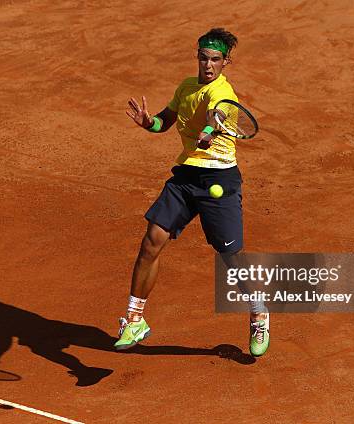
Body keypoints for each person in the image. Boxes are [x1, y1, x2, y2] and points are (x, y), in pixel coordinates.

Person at [115, 28, 269, 357]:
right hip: (186, 176)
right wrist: (149, 123)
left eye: (215, 60)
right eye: (203, 58)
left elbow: (215, 116)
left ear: (226, 62)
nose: (208, 65)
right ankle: (134, 318)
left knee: (231, 259)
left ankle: (258, 311)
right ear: (197, 56)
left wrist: (209, 132)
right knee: (151, 241)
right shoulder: (186, 87)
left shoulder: (223, 94)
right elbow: (165, 121)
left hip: (219, 182)